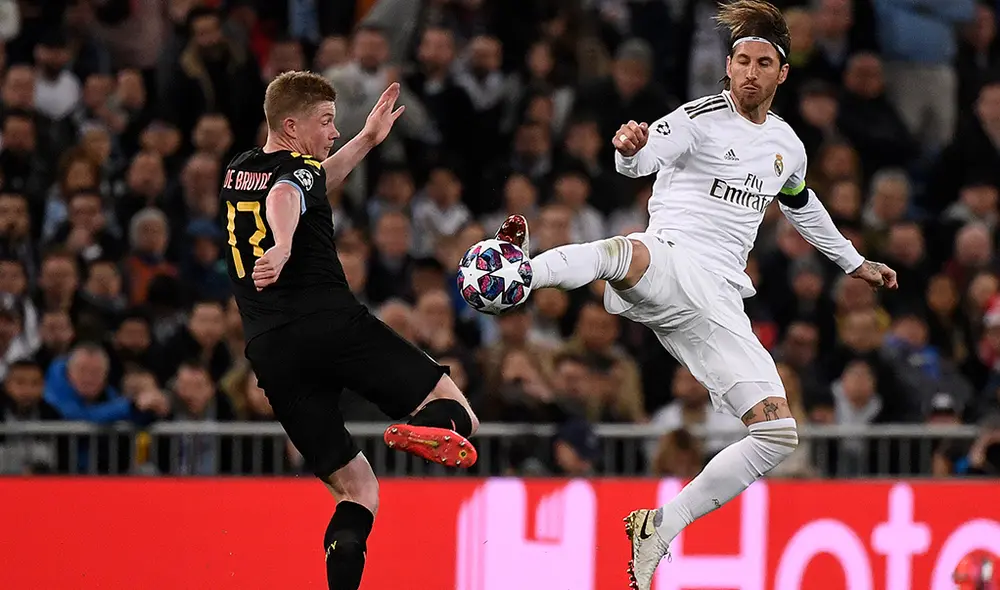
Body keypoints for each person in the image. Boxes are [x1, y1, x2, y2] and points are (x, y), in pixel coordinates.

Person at [487, 2, 897, 588]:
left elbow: (803, 205)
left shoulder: (787, 145)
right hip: (675, 256)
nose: (749, 72)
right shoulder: (699, 116)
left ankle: (662, 525)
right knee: (625, 253)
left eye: (762, 64)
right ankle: (520, 271)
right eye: (741, 61)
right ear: (727, 66)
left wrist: (855, 263)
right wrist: (629, 147)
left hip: (720, 302)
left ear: (782, 73)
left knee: (777, 433)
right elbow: (640, 160)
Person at [221, 71, 480, 590]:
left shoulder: (239, 169)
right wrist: (283, 244)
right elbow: (288, 195)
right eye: (326, 122)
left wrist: (366, 139)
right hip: (330, 324)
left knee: (357, 490)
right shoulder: (293, 175)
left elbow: (308, 183)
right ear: (292, 127)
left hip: (270, 351)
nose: (334, 131)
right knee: (462, 414)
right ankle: (429, 423)